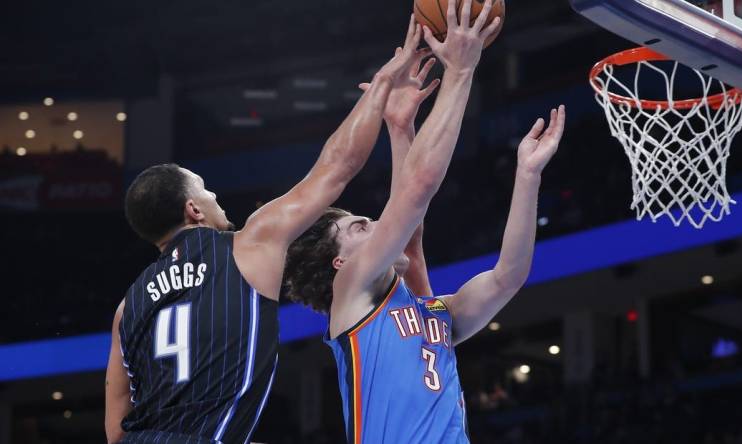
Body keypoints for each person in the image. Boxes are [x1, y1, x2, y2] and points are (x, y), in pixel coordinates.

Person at [103, 18, 428, 444]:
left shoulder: (127, 307)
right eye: (206, 190)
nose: (216, 195)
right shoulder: (248, 245)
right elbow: (337, 167)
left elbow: (116, 424)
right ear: (193, 209)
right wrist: (384, 82)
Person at [284, 0, 565, 441]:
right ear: (339, 263)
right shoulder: (352, 292)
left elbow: (507, 276)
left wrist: (527, 176)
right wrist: (460, 71)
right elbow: (412, 198)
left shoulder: (432, 312)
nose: (376, 224)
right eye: (359, 227)